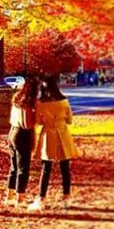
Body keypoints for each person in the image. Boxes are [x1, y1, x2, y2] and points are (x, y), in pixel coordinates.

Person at [29, 75, 78, 211]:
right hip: (63, 134)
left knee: (46, 169)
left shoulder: (41, 104)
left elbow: (37, 122)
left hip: (48, 136)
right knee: (65, 169)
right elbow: (69, 120)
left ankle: (41, 199)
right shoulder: (64, 102)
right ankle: (66, 198)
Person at [4, 75, 39, 207]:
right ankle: (20, 199)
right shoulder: (28, 104)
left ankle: (10, 196)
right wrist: (36, 118)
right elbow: (27, 124)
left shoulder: (17, 99)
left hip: (13, 131)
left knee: (14, 166)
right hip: (23, 135)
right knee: (23, 168)